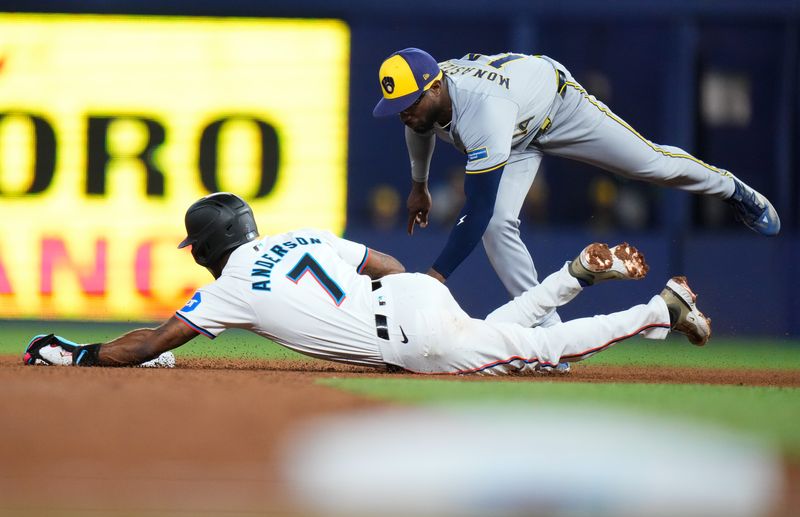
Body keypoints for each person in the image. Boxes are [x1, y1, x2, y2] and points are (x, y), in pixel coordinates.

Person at [24, 192, 710, 375]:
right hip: (411, 297)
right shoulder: (298, 234)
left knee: (542, 357)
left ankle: (659, 306)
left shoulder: (229, 283)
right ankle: (574, 276)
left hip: (412, 339)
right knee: (503, 339)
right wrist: (424, 292)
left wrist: (80, 352)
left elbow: (152, 340)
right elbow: (383, 260)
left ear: (204, 247)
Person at [371, 48, 780, 332]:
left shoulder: (482, 111)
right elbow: (420, 129)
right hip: (513, 131)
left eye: (410, 103)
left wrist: (434, 278)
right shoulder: (428, 100)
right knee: (498, 225)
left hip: (557, 107)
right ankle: (548, 334)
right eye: (398, 107)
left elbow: (474, 211)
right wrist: (419, 186)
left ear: (436, 88)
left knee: (650, 164)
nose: (405, 114)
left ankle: (733, 189)